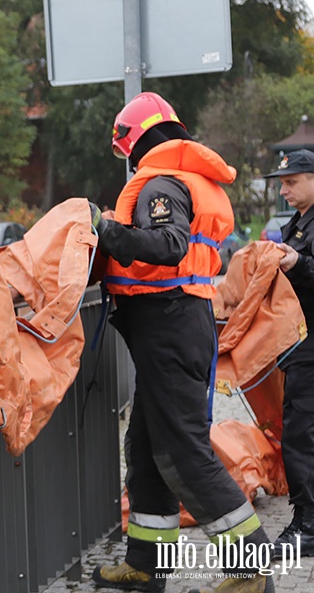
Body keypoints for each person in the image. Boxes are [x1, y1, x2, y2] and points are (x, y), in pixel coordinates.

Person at [89, 92, 273, 593]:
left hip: (169, 326)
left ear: (134, 142)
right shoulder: (191, 179)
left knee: (183, 453)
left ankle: (251, 571)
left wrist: (104, 231)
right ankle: (146, 567)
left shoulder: (160, 184)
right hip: (176, 325)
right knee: (147, 450)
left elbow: (168, 247)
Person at [262, 149, 314, 559]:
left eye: (291, 182)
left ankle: (308, 526)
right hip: (299, 342)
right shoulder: (298, 222)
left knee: (300, 434)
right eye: (282, 183)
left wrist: (300, 262)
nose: (284, 190)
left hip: (311, 346)